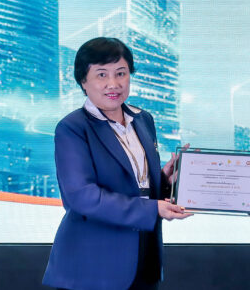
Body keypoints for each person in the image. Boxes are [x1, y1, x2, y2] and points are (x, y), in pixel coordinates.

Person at [43, 37, 191, 290]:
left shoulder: (143, 120)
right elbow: (82, 197)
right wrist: (152, 210)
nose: (113, 84)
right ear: (83, 81)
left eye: (121, 73)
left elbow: (137, 186)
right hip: (93, 265)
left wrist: (165, 181)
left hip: (144, 258)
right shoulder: (73, 128)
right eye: (101, 74)